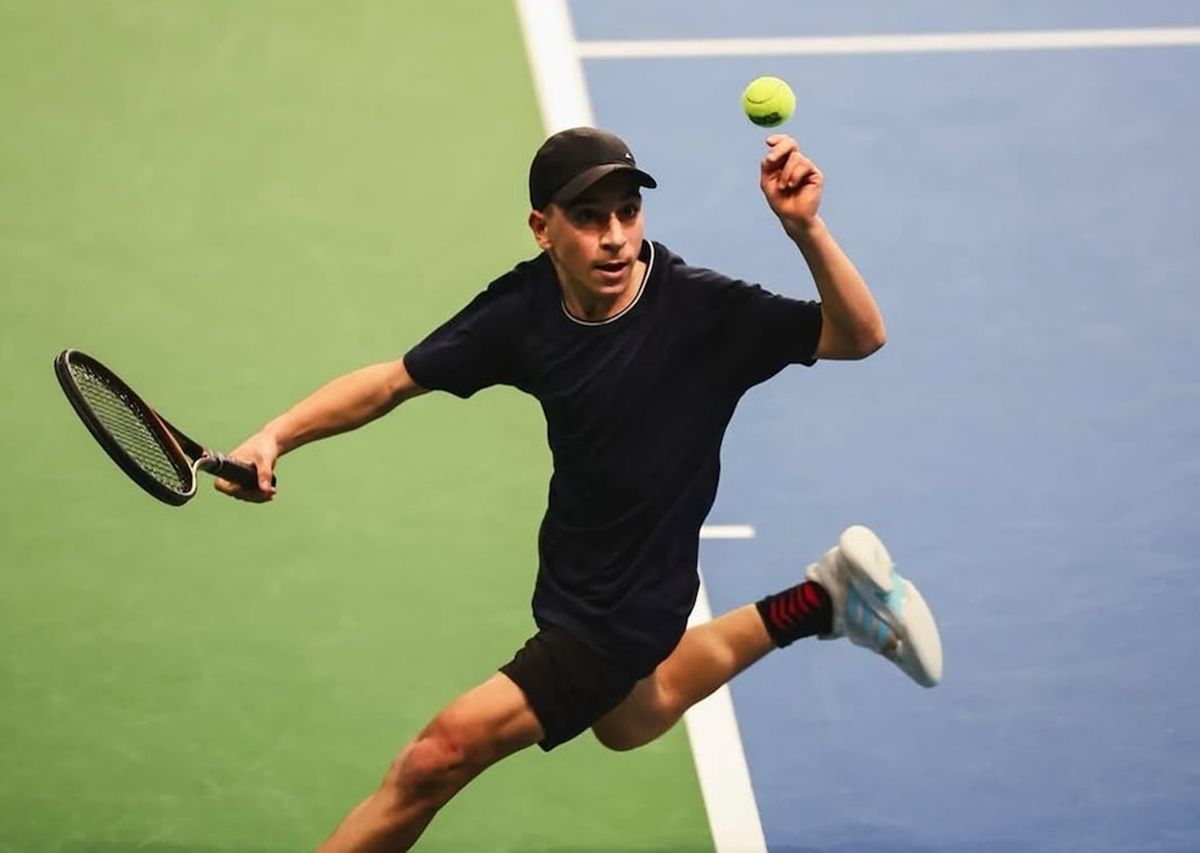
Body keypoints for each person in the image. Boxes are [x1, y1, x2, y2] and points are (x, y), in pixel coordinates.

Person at [216, 126, 943, 852]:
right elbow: (392, 382)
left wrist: (805, 228)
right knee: (632, 719)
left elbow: (859, 335)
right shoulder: (524, 310)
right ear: (543, 230)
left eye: (628, 211)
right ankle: (823, 600)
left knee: (436, 758)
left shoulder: (702, 313)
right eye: (590, 218)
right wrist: (275, 436)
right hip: (573, 570)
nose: (616, 237)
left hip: (629, 604)